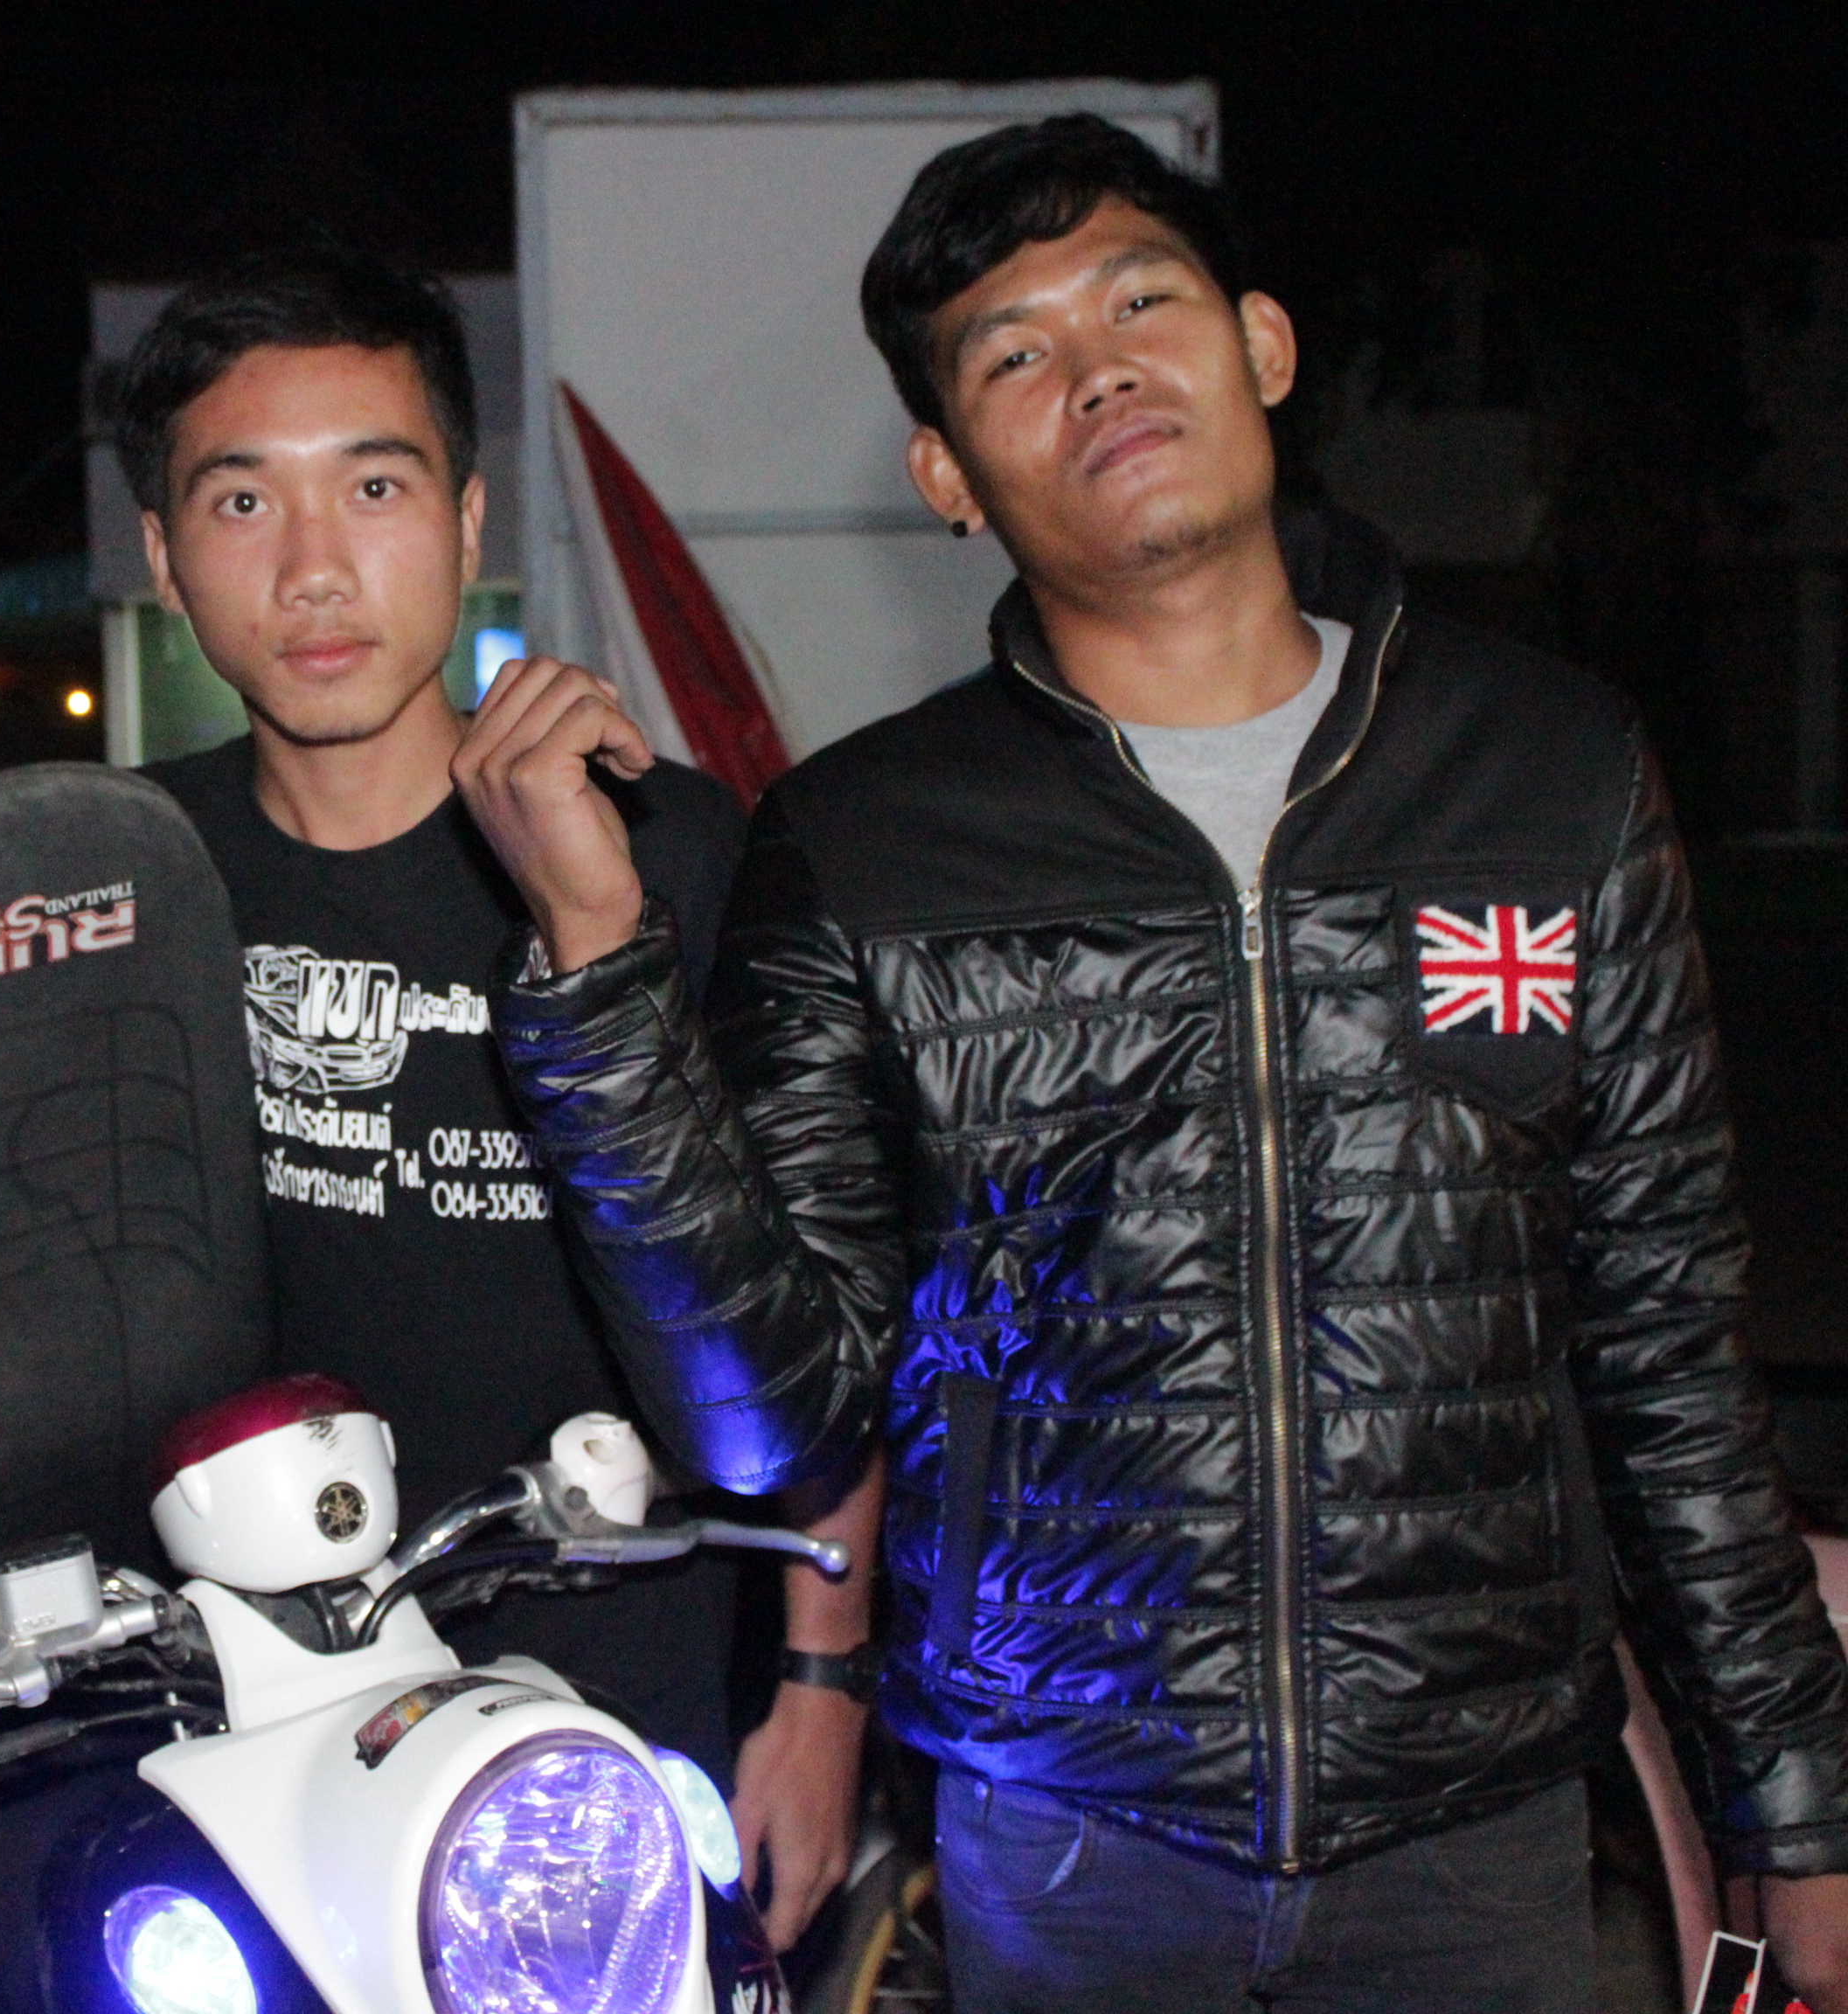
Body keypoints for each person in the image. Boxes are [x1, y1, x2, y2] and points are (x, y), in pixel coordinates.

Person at [454, 114, 1848, 2012]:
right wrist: (595, 962)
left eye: (1140, 303)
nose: (1097, 370)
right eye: (1013, 355)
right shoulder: (867, 846)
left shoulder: (1547, 773)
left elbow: (1669, 1345)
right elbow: (771, 1423)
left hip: (1482, 1839)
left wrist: (1796, 1801)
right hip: (1069, 1854)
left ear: (1261, 347)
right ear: (948, 477)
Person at [0, 244, 849, 1975]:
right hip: (218, 1746)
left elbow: (812, 1308)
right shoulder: (111, 873)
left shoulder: (660, 846)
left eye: (375, 487)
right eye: (243, 503)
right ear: (164, 558)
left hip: (607, 1715)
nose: (315, 567)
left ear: (466, 519)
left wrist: (823, 1689)